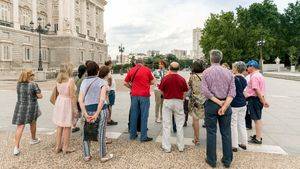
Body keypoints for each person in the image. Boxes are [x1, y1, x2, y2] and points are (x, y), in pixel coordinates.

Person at [201, 50, 236, 168]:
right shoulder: (229, 73)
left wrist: (218, 102)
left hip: (212, 104)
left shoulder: (206, 72)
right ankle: (227, 160)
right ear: (220, 59)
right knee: (226, 132)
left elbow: (205, 91)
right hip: (226, 102)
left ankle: (211, 160)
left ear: (211, 58)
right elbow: (232, 92)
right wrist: (224, 105)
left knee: (211, 132)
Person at [78, 62, 113, 162]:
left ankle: (87, 155)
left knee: (86, 132)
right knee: (101, 132)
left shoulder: (84, 82)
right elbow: (102, 99)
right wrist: (97, 113)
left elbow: (80, 99)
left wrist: (84, 113)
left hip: (87, 109)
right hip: (101, 111)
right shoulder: (102, 82)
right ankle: (103, 155)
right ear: (97, 70)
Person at [159, 62, 188, 153]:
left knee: (166, 125)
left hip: (168, 100)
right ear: (178, 69)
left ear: (169, 68)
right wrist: (182, 99)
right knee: (179, 125)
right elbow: (185, 91)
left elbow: (161, 90)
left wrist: (166, 95)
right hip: (178, 101)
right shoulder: (182, 79)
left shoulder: (165, 78)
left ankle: (167, 146)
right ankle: (181, 146)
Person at [12, 69, 43, 155]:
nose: (34, 75)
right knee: (33, 122)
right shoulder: (33, 84)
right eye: (33, 74)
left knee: (20, 127)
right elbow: (40, 96)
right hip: (31, 107)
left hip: (20, 106)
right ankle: (33, 139)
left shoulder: (18, 84)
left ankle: (16, 148)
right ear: (29, 76)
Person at [124, 58, 155, 142]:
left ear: (135, 63)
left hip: (134, 95)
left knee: (134, 115)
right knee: (144, 115)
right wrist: (146, 83)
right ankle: (143, 136)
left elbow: (125, 83)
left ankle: (132, 135)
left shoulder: (131, 70)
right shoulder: (147, 70)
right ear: (143, 63)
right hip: (144, 95)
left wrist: (132, 87)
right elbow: (153, 81)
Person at [52, 64, 77, 154]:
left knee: (60, 125)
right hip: (67, 102)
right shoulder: (70, 81)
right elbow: (72, 96)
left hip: (60, 102)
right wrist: (75, 109)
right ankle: (65, 147)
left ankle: (58, 146)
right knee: (67, 126)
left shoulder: (58, 80)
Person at [246, 60, 269, 144]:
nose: (247, 68)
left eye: (248, 66)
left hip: (254, 99)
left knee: (257, 119)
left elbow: (256, 89)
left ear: (252, 66)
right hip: (258, 99)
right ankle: (258, 135)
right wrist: (263, 100)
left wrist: (263, 101)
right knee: (257, 118)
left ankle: (258, 138)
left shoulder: (254, 76)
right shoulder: (259, 75)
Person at [231, 61, 248, 152]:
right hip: (243, 103)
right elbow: (245, 92)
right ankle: (244, 143)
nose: (232, 69)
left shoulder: (233, 78)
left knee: (233, 124)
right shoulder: (244, 79)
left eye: (233, 67)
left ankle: (234, 145)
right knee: (242, 123)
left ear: (237, 69)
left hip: (234, 104)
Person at [188, 60, 206, 146]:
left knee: (195, 121)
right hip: (206, 100)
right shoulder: (206, 75)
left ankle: (196, 139)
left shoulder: (192, 76)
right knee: (208, 120)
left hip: (195, 101)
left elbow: (189, 86)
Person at [72, 65, 87, 133]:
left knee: (77, 112)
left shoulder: (75, 78)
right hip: (82, 98)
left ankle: (74, 126)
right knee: (83, 112)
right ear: (85, 71)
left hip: (75, 97)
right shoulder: (84, 79)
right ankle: (84, 126)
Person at [104, 60, 118, 126]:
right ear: (109, 64)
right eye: (111, 64)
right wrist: (110, 84)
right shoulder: (108, 71)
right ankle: (108, 119)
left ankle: (107, 119)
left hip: (109, 90)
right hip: (110, 90)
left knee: (108, 105)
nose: (112, 65)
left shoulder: (105, 71)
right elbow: (109, 82)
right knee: (109, 105)